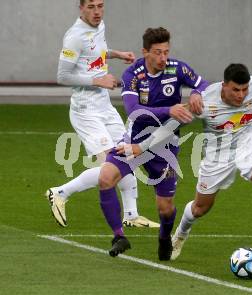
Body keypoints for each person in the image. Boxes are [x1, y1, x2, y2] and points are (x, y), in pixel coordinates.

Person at [121, 63, 252, 270]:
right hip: (218, 155)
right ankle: (180, 235)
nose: (241, 95)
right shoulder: (205, 101)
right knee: (200, 208)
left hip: (249, 144)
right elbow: (171, 125)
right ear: (224, 85)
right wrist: (141, 146)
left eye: (245, 89)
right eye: (236, 90)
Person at [46, 0, 159, 229]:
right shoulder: (74, 37)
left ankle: (131, 215)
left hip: (104, 105)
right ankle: (60, 192)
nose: (97, 11)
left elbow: (96, 52)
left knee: (127, 154)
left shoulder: (99, 26)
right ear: (81, 8)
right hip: (86, 110)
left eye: (100, 6)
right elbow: (62, 76)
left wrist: (117, 54)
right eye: (91, 7)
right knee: (111, 165)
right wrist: (97, 80)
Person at [98, 27, 209, 258]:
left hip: (165, 144)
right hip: (135, 139)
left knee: (165, 208)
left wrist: (197, 93)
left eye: (166, 52)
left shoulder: (177, 68)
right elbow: (133, 110)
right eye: (157, 53)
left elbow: (204, 84)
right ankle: (119, 235)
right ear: (145, 52)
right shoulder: (133, 74)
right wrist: (170, 109)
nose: (163, 58)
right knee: (105, 178)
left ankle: (164, 236)